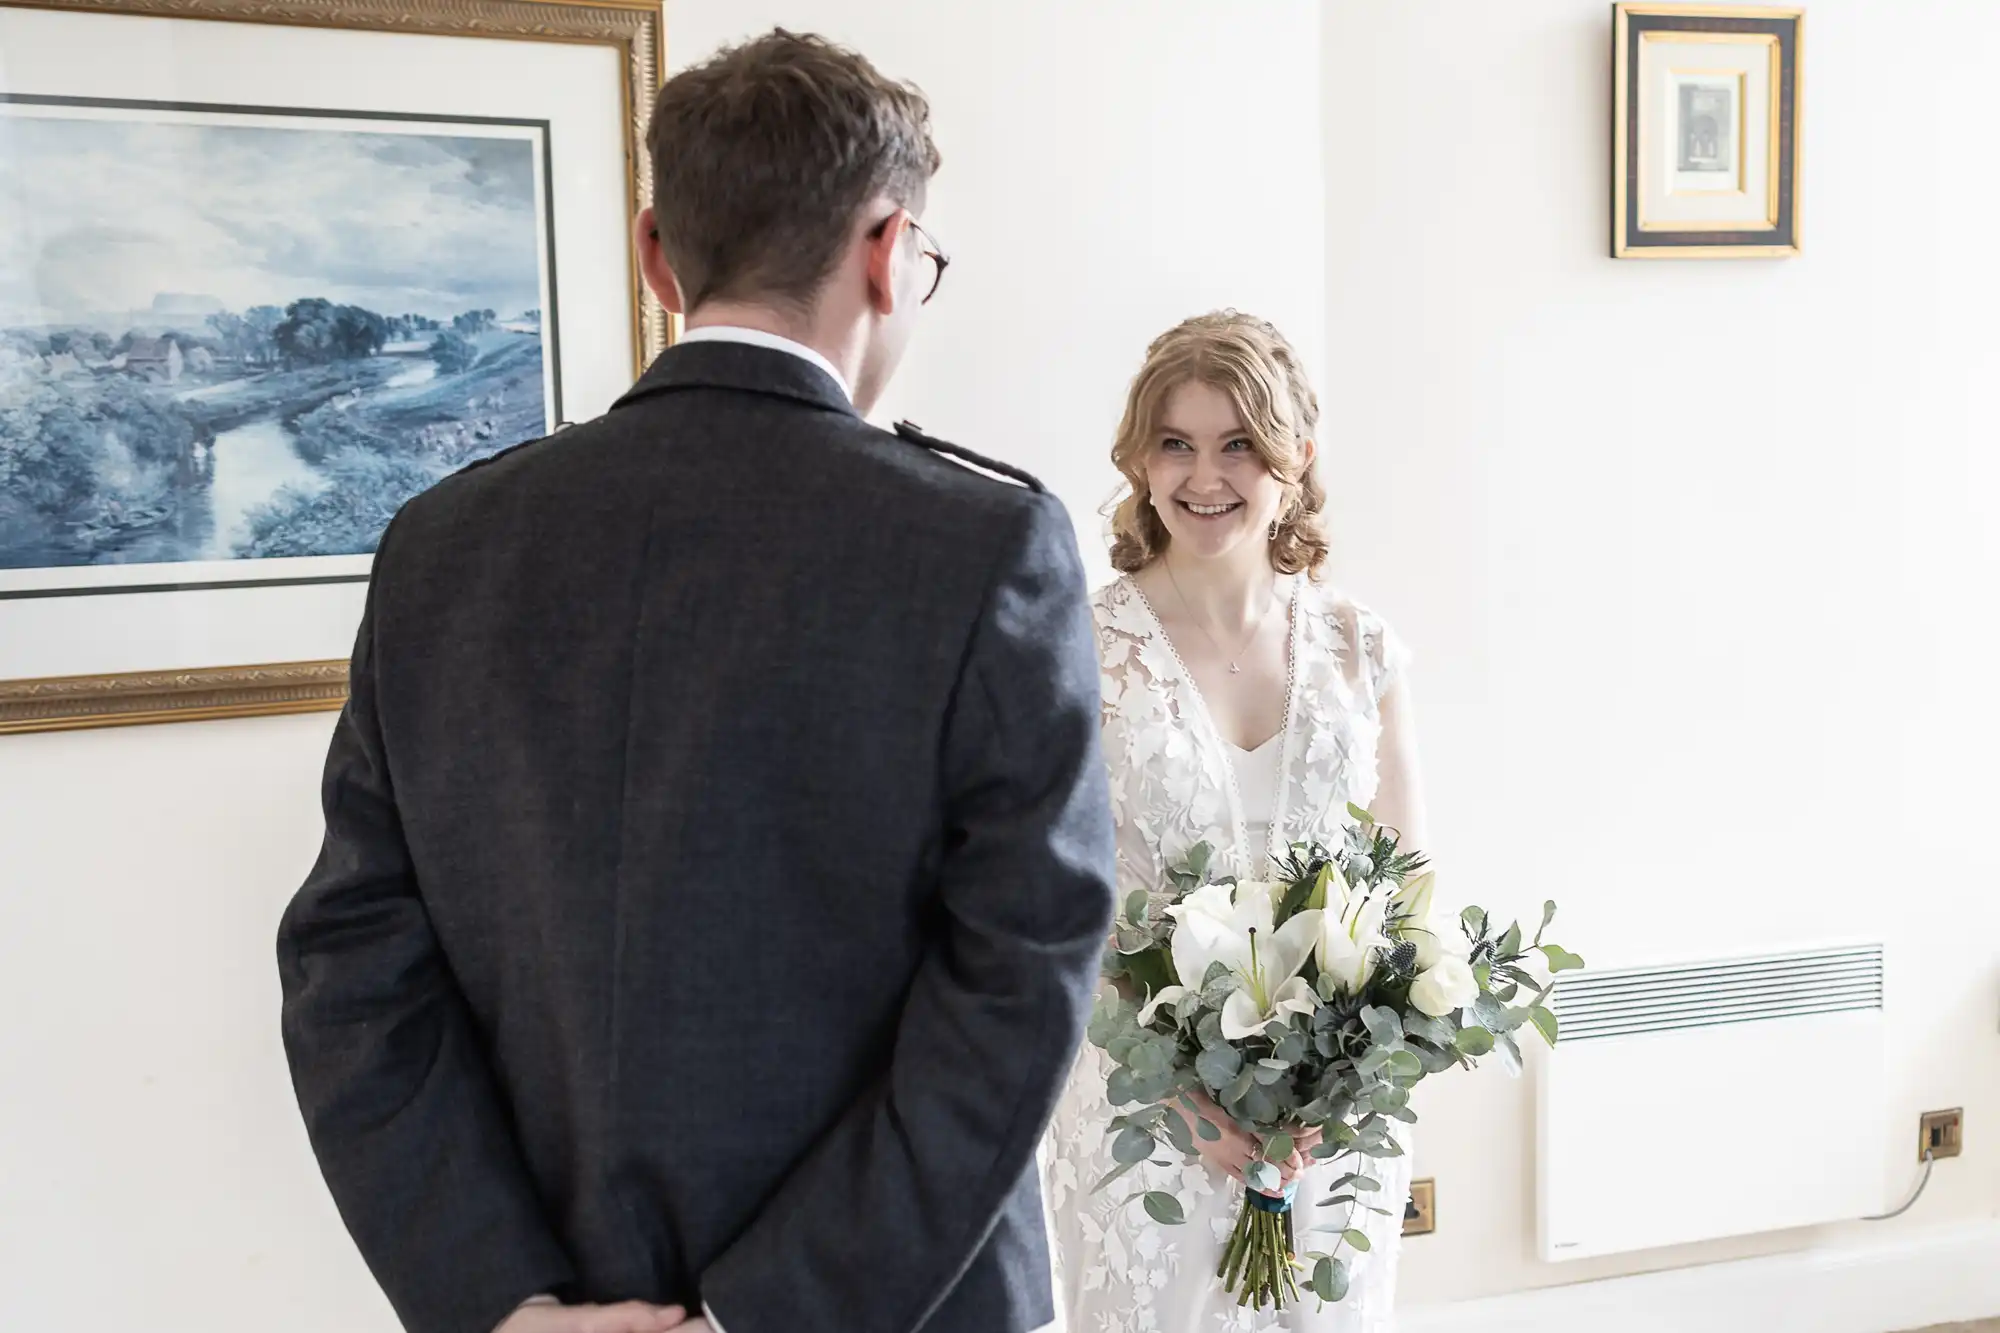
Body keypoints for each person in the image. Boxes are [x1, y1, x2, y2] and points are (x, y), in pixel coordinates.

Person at [276, 29, 1115, 1333]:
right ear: (890, 255)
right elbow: (1019, 977)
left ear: (657, 253)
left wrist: (504, 1301)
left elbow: (351, 968)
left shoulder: (443, 546)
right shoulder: (983, 544)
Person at [1043, 311, 1425, 1332]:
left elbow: (1406, 882)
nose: (1202, 475)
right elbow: (1046, 905)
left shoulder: (1357, 646)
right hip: (1142, 1114)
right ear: (1136, 458)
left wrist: (1340, 1082)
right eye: (1174, 442)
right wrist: (1176, 1094)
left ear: (1292, 457)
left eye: (1237, 443)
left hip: (1327, 1128)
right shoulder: (1076, 650)